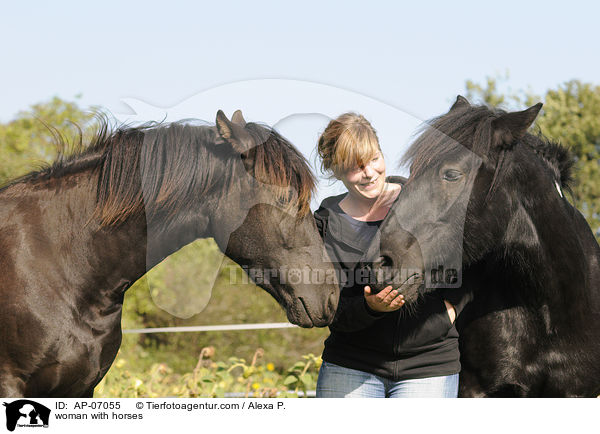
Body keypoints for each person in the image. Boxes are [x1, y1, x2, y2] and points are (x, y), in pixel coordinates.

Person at [314, 112, 461, 398]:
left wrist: (452, 309)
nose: (369, 172)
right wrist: (370, 308)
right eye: (355, 167)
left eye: (374, 159)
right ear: (335, 169)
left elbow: (476, 260)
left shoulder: (427, 200)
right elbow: (329, 306)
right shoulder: (325, 220)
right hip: (350, 364)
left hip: (429, 366)